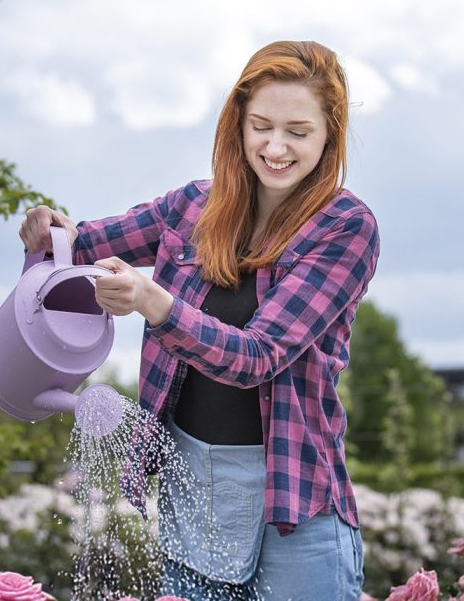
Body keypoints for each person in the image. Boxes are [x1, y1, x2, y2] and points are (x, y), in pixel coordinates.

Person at [20, 40, 380, 600]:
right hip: (195, 496)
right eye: (261, 125)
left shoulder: (344, 227)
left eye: (299, 132)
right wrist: (48, 228)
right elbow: (79, 245)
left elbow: (258, 357)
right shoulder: (191, 208)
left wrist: (153, 302)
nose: (276, 146)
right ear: (236, 124)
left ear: (330, 134)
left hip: (294, 505)